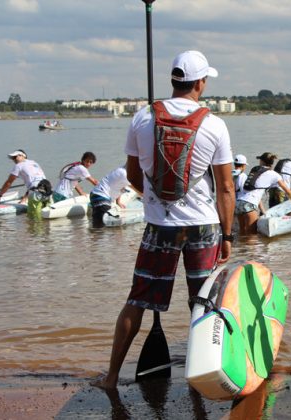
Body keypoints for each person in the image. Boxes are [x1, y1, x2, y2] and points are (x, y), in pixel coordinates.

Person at [92, 50, 235, 390]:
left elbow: (132, 175)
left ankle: (111, 378)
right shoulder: (214, 124)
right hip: (203, 227)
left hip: (159, 228)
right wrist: (227, 235)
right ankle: (206, 378)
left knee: (137, 299)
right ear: (200, 83)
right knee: (203, 303)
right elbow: (226, 187)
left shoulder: (142, 118)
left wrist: (156, 201)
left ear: (173, 81)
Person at [235, 152, 291, 234]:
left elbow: (253, 190)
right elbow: (288, 192)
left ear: (262, 162)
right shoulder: (275, 175)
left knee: (242, 233)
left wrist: (263, 211)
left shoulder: (255, 170)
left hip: (239, 203)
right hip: (250, 204)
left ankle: (240, 246)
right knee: (252, 236)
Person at [0, 149, 52, 218]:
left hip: (36, 194)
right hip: (48, 192)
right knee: (47, 217)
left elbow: (8, 182)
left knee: (34, 219)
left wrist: (0, 195)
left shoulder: (18, 166)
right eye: (13, 158)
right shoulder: (34, 163)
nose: (14, 160)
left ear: (23, 156)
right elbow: (36, 182)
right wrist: (25, 197)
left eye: (15, 157)